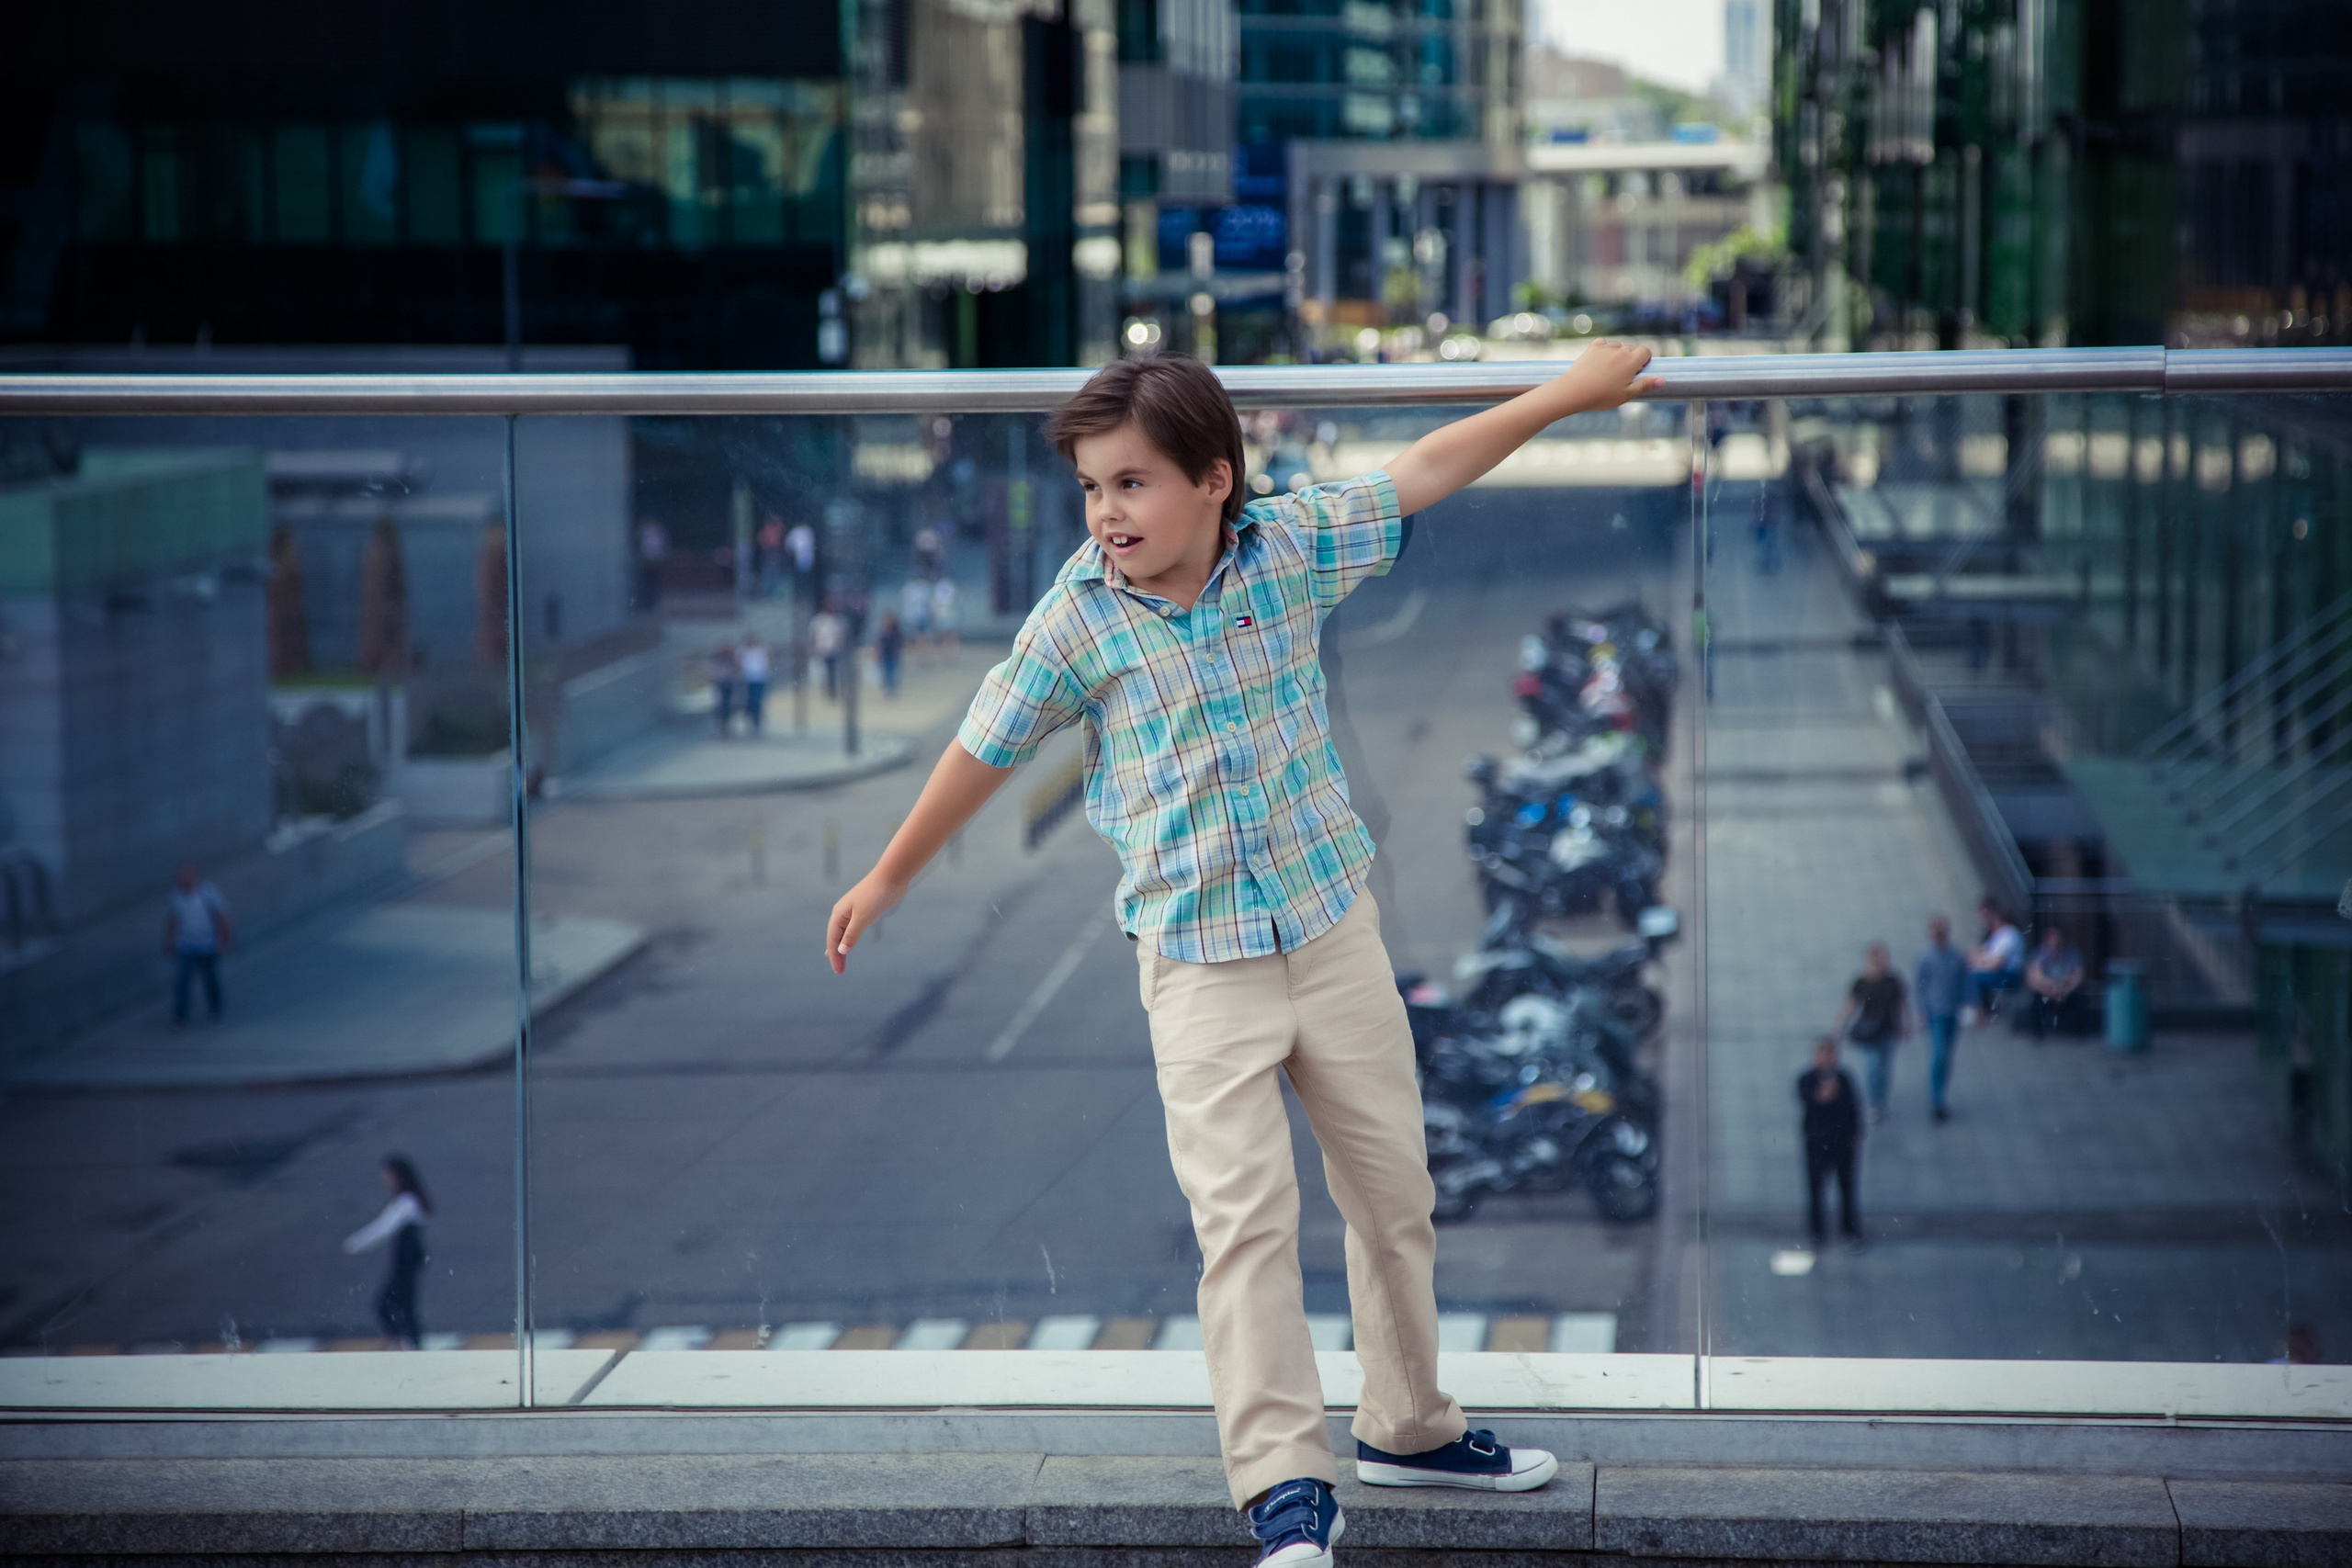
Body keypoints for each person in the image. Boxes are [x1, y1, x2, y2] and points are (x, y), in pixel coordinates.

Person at [824, 344, 1663, 1560]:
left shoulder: (1292, 546)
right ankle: (1285, 1490)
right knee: (1247, 1223)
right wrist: (890, 870)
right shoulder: (1079, 617)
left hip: (1330, 928)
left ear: (1216, 481)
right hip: (1198, 959)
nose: (1107, 512)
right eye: (1092, 489)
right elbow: (986, 740)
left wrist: (1567, 396)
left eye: (1133, 484)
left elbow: (1425, 468)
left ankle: (1411, 1424)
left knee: (1394, 1194)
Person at [344, 1156, 431, 1348]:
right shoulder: (406, 1199)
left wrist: (356, 1243)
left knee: (388, 1304)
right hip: (407, 1258)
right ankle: (407, 1342)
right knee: (402, 1303)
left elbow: (384, 1227)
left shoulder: (407, 1201)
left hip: (407, 1258)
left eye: (388, 1173)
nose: (386, 1178)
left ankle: (404, 1342)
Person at [1797, 1038, 1865, 1250]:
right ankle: (1817, 1232)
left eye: (1831, 1055)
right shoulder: (1806, 1078)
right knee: (1816, 1190)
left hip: (1842, 1144)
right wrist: (1824, 1093)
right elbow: (1809, 1098)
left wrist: (1856, 1136)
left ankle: (1849, 1231)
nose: (1827, 1059)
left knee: (1847, 1189)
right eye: (1823, 1054)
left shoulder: (1844, 1078)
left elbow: (1854, 1108)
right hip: (1817, 1144)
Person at [1831, 942, 1907, 1122]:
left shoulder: (1893, 980)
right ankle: (1874, 1101)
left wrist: (1905, 1025)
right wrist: (1840, 1025)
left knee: (1885, 1067)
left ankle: (1881, 1099)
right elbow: (1851, 1004)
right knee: (1873, 1066)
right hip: (1871, 1032)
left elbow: (1901, 1004)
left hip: (1888, 1030)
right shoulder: (1863, 982)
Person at [164, 863, 232, 1027]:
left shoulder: (208, 892)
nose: (184, 882)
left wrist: (224, 940)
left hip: (208, 944)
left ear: (194, 876)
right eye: (181, 878)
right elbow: (173, 920)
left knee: (210, 979)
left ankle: (215, 1008)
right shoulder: (177, 896)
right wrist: (168, 941)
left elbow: (222, 916)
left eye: (187, 877)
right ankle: (180, 1016)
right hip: (187, 946)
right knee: (182, 982)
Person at [1915, 914, 1969, 1122]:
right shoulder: (1926, 958)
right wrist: (1921, 1011)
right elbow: (1920, 986)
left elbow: (1965, 981)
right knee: (1939, 1054)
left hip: (1952, 1011)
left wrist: (1973, 1005)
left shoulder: (1956, 955)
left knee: (1947, 1055)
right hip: (1935, 1012)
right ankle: (1936, 1099)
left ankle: (1941, 1094)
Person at [1967, 897, 2026, 1024]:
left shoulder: (2009, 934)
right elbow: (1974, 956)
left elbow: (1996, 964)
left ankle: (1980, 1013)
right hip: (1996, 973)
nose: (1981, 921)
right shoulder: (1994, 936)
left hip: (2009, 976)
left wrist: (1980, 961)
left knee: (1973, 977)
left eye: (1983, 916)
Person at [2024, 925, 2086, 1039]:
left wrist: (2065, 991)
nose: (2055, 942)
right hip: (2046, 992)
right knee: (2036, 999)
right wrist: (2047, 990)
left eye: (2058, 938)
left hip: (2065, 992)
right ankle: (2038, 1035)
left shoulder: (2072, 954)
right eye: (2052, 938)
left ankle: (2079, 1034)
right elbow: (2032, 978)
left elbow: (2077, 977)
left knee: (2079, 998)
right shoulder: (2038, 955)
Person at [810, 604, 847, 701]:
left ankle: (832, 692)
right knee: (822, 673)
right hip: (821, 650)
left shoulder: (837, 620)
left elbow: (841, 636)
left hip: (833, 651)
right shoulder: (818, 620)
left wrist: (839, 645)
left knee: (832, 673)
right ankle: (825, 691)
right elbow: (814, 635)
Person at [634, 517, 669, 612]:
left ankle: (651, 604)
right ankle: (646, 604)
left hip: (653, 561)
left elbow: (662, 547)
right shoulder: (642, 533)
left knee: (652, 584)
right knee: (646, 584)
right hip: (646, 562)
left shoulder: (658, 532)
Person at [739, 636, 771, 734]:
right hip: (748, 679)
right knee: (749, 701)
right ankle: (750, 719)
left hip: (759, 678)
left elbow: (765, 663)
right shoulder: (743, 651)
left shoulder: (761, 651)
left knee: (757, 701)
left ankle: (756, 721)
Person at [900, 573, 934, 663]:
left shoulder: (908, 588)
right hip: (920, 616)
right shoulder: (925, 587)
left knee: (918, 637)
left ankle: (920, 657)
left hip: (913, 616)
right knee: (923, 637)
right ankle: (922, 657)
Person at [707, 640, 739, 737]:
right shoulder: (717, 659)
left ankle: (726, 725)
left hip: (728, 683)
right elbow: (712, 670)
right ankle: (722, 725)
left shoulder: (732, 659)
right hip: (720, 683)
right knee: (721, 705)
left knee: (727, 705)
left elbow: (736, 670)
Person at [930, 575, 960, 657]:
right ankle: (948, 653)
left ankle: (946, 653)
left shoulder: (939, 587)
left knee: (946, 635)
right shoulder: (947, 586)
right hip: (947, 615)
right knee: (948, 635)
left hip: (944, 615)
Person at [876, 612, 904, 697]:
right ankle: (887, 690)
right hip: (885, 656)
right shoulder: (883, 632)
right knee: (886, 674)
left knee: (893, 674)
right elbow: (880, 644)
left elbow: (900, 643)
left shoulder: (896, 631)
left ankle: (893, 690)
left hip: (893, 655)